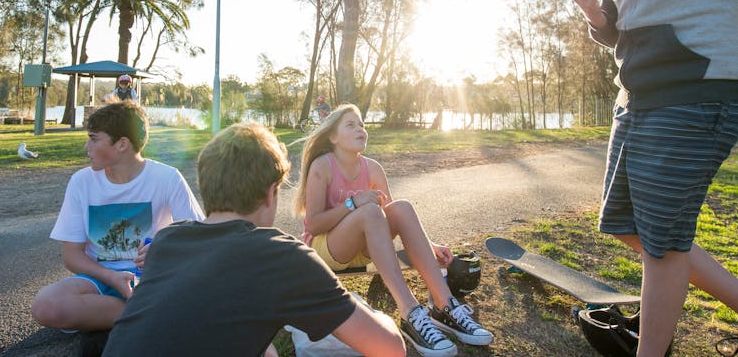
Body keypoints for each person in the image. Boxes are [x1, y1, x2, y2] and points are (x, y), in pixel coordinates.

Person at [569, 0, 738, 357]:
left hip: (698, 98)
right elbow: (622, 32)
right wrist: (596, 16)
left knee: (662, 245)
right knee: (627, 226)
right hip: (635, 102)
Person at [101, 122, 405, 357]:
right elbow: (390, 348)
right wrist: (373, 313)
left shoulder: (167, 241)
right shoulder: (280, 255)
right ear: (271, 193)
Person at [293, 103, 493, 357]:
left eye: (362, 125)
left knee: (401, 207)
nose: (360, 130)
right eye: (351, 125)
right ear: (332, 137)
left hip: (366, 248)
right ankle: (410, 312)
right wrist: (353, 203)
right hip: (327, 249)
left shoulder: (373, 168)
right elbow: (313, 224)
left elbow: (390, 221)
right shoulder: (323, 166)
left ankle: (444, 307)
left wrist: (430, 245)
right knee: (368, 211)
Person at [30, 102, 205, 337]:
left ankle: (121, 316)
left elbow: (199, 238)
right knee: (46, 306)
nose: (86, 146)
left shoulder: (167, 178)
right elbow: (71, 255)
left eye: (94, 139)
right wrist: (112, 278)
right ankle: (148, 316)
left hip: (153, 280)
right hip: (99, 280)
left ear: (122, 144)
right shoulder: (82, 182)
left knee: (199, 291)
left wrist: (163, 250)